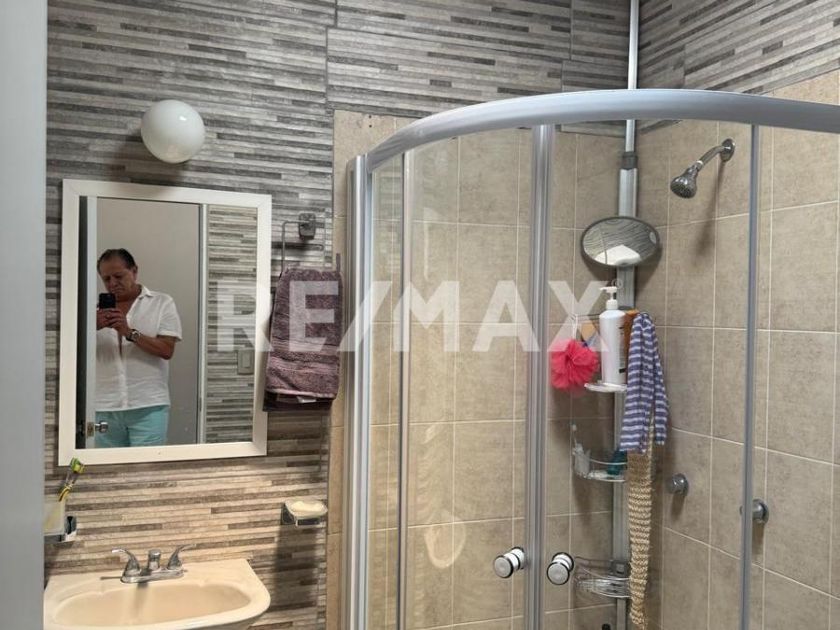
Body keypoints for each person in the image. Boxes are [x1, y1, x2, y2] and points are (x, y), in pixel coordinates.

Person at [94, 248, 182, 447]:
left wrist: (129, 332)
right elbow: (70, 353)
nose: (112, 283)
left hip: (148, 405)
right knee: (107, 465)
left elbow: (166, 350)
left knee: (147, 465)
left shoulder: (161, 303)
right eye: (106, 279)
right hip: (104, 405)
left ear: (134, 271)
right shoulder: (91, 310)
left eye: (118, 276)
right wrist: (91, 326)